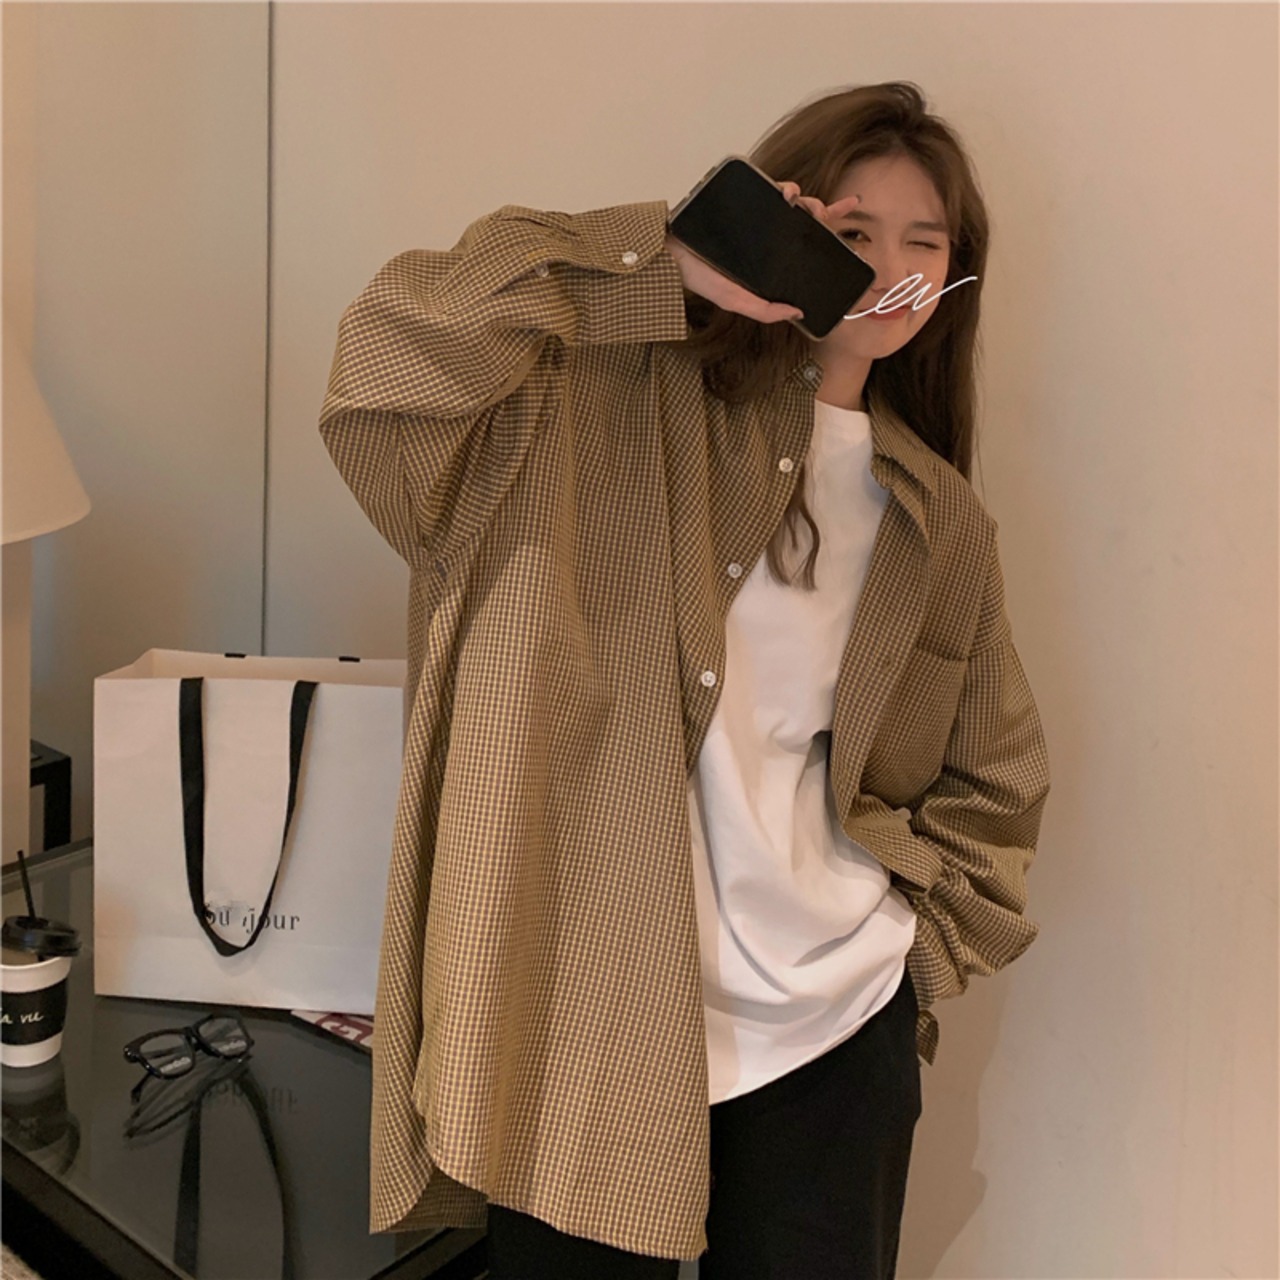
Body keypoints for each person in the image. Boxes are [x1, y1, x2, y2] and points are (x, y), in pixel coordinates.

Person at [319, 80, 1050, 1280]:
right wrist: (656, 261)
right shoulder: (580, 404)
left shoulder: (937, 519)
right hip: (585, 1022)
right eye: (850, 232)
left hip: (832, 1037)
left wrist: (906, 954)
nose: (886, 269)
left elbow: (996, 776)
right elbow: (386, 359)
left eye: (923, 242)